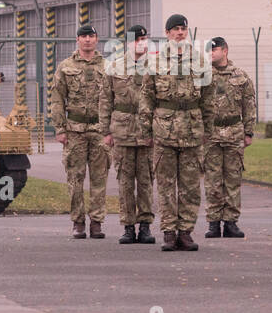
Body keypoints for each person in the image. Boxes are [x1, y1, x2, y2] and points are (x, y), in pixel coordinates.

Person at [142, 14, 212, 251]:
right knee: (165, 185)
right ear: (168, 33)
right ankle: (169, 231)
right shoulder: (156, 62)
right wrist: (146, 130)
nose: (180, 33)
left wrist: (207, 130)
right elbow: (146, 98)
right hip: (165, 131)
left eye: (183, 29)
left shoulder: (199, 60)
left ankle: (186, 231)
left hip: (192, 131)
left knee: (190, 186)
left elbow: (209, 99)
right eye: (175, 29)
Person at [51, 25, 110, 238]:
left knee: (99, 178)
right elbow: (57, 98)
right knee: (75, 178)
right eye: (84, 36)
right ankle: (78, 222)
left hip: (99, 129)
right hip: (74, 129)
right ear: (77, 39)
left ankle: (97, 222)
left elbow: (114, 98)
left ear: (96, 39)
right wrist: (60, 128)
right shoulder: (66, 66)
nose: (88, 40)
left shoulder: (107, 66)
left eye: (91, 36)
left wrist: (110, 129)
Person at [101, 24, 155, 245]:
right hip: (122, 131)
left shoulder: (155, 66)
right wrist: (105, 130)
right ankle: (128, 226)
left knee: (146, 181)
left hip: (146, 132)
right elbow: (105, 100)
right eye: (136, 40)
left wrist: (156, 129)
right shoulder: (114, 66)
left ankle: (145, 226)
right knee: (124, 181)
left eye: (144, 39)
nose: (140, 43)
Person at [202, 37, 255, 238]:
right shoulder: (203, 76)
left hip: (234, 132)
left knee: (233, 178)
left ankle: (231, 222)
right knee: (213, 180)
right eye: (209, 51)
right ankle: (214, 222)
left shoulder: (241, 76)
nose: (211, 53)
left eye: (214, 50)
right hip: (211, 134)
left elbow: (249, 105)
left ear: (225, 51)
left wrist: (248, 132)